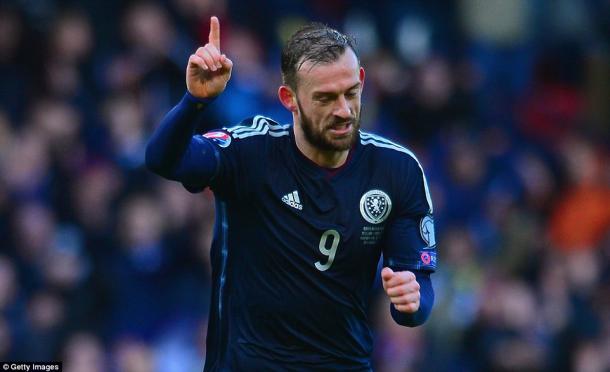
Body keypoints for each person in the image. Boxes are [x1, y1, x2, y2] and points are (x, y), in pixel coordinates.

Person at [146, 16, 437, 371]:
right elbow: (164, 160)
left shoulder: (397, 169)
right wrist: (194, 102)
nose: (344, 111)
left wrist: (412, 301)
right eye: (325, 98)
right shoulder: (249, 152)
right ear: (290, 99)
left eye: (351, 93)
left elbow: (416, 290)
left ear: (362, 81)